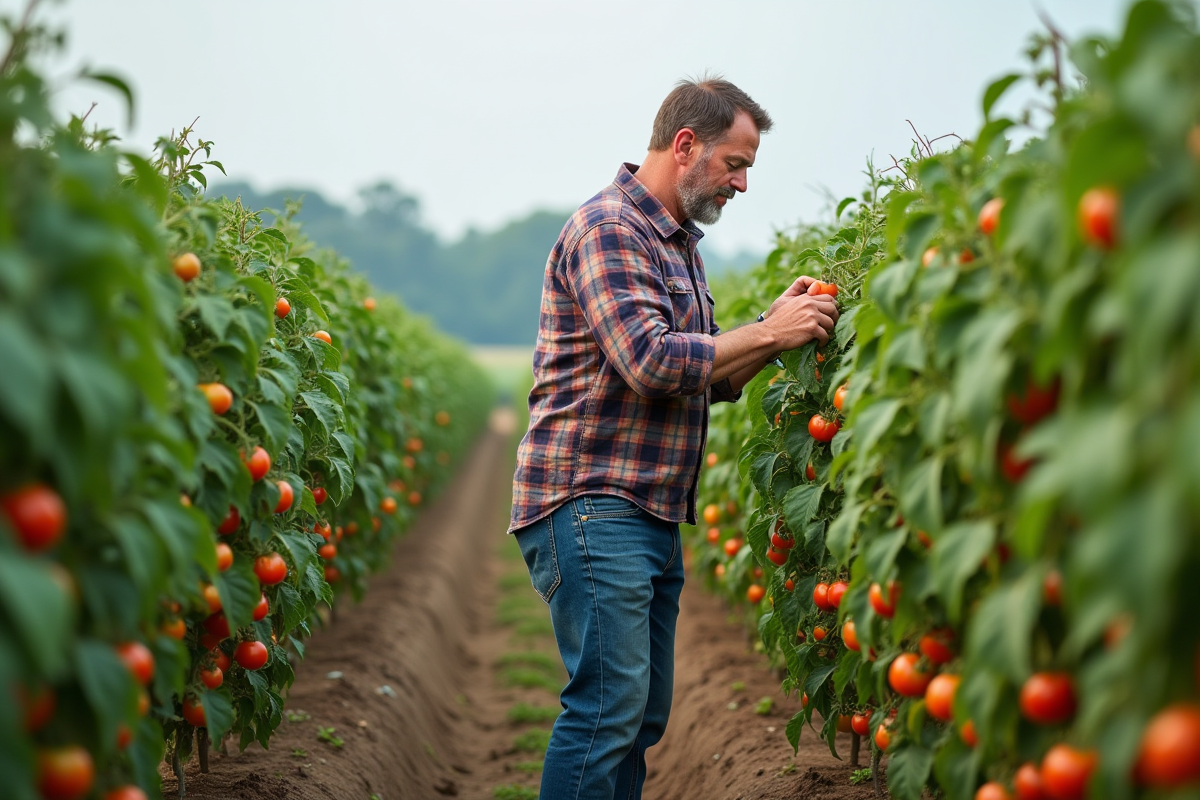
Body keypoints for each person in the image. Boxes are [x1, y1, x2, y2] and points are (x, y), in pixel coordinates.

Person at [507, 76, 840, 800]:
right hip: (593, 502)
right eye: (735, 163)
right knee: (606, 709)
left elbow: (705, 375)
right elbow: (650, 361)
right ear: (685, 145)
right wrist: (767, 334)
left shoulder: (677, 244)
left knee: (638, 716)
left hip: (649, 511)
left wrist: (772, 330)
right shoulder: (609, 229)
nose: (742, 183)